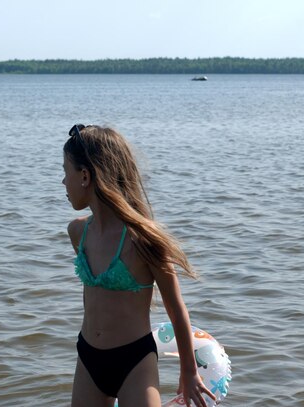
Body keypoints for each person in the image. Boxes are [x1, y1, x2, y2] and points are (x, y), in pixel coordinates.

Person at [63, 124, 216, 407]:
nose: (62, 182)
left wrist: (189, 370)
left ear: (85, 176)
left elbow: (176, 308)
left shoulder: (144, 240)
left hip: (134, 362)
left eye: (65, 171)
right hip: (88, 357)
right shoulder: (78, 233)